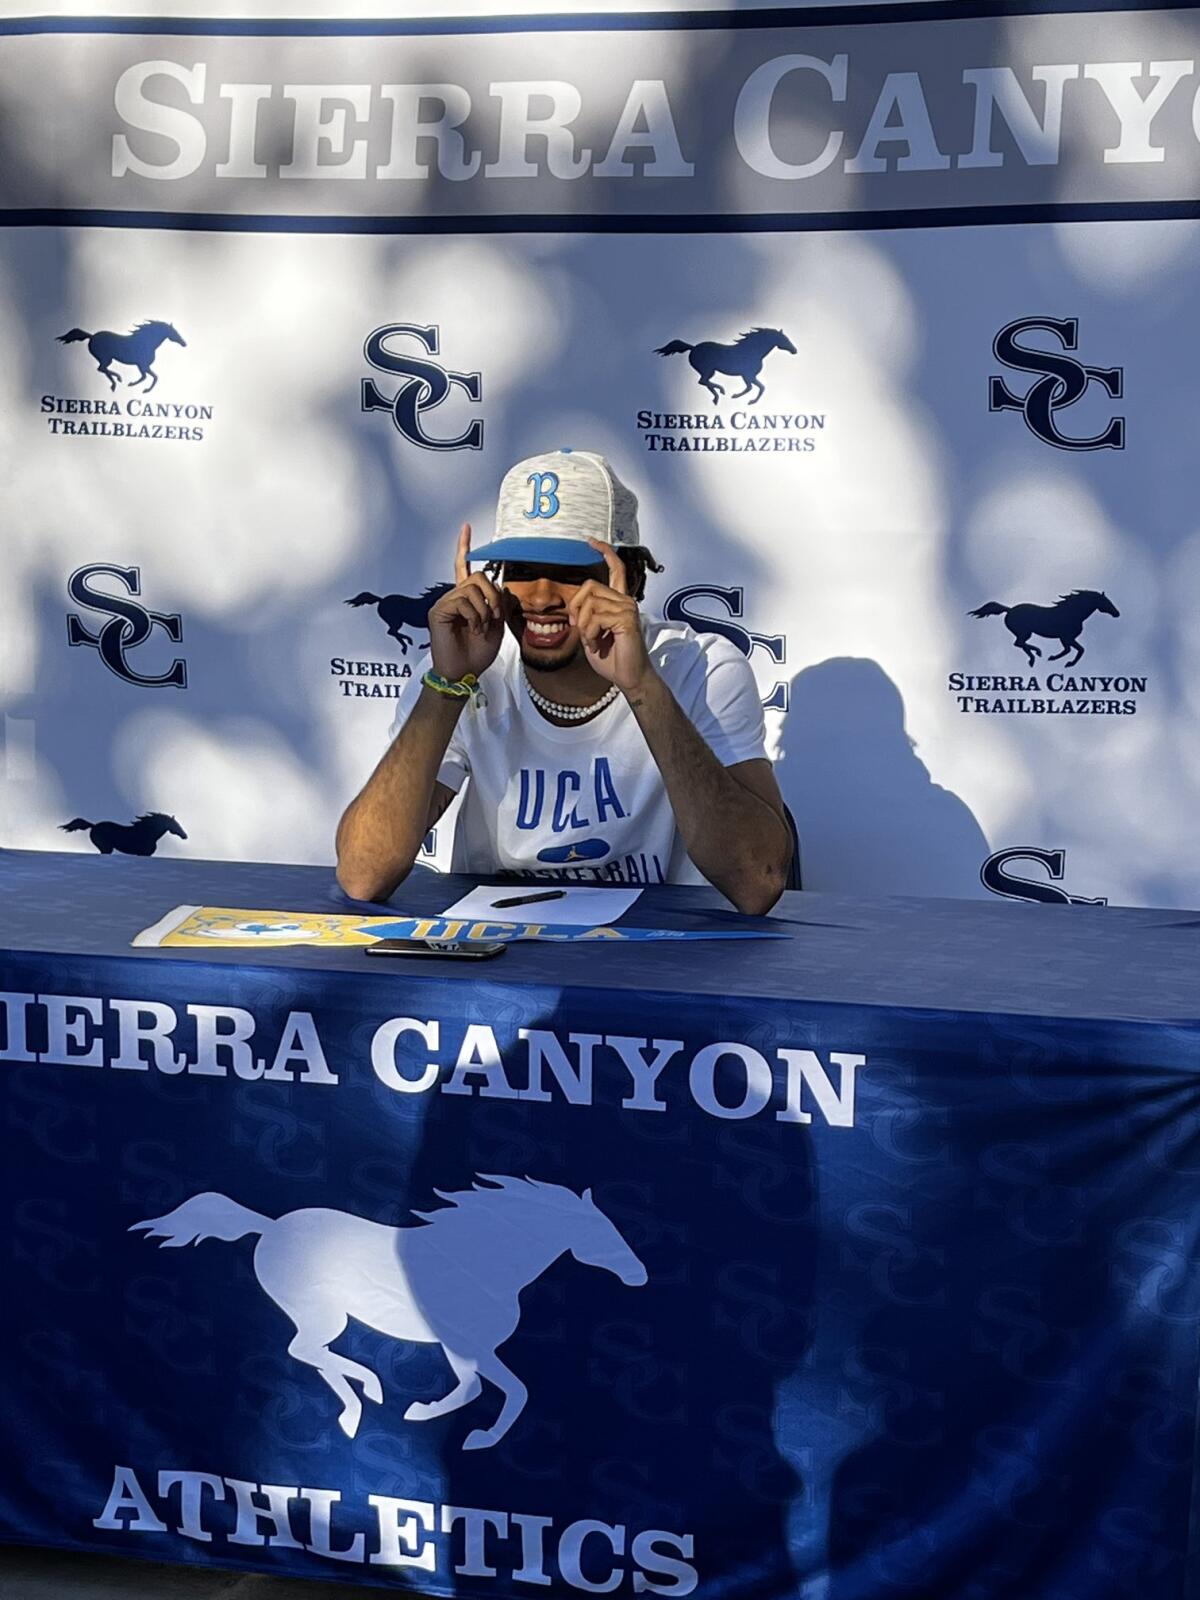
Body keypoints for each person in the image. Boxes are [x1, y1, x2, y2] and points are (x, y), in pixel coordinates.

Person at [335, 449, 793, 914]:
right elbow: (363, 875)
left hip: (655, 960)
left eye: (571, 575)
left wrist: (642, 687)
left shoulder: (699, 667)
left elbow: (758, 881)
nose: (540, 597)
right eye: (521, 571)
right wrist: (447, 683)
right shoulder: (459, 672)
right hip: (502, 955)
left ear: (628, 579)